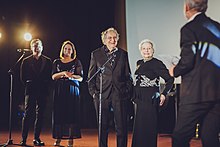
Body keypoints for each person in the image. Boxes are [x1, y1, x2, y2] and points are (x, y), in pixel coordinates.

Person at [169, 0, 220, 146]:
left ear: (186, 7)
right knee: (210, 137)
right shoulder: (217, 27)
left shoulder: (189, 28)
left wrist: (174, 70)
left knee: (180, 137)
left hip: (196, 94)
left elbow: (187, 61)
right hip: (217, 94)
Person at [87, 27, 133, 147]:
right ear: (104, 40)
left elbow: (128, 76)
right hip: (102, 95)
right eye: (109, 38)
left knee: (121, 128)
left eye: (114, 38)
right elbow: (91, 77)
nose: (112, 40)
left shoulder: (123, 54)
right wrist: (94, 94)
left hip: (119, 95)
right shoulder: (96, 54)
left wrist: (126, 91)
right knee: (102, 127)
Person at [131, 39, 174, 147]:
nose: (146, 51)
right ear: (140, 50)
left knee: (148, 129)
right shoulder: (139, 63)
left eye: (149, 48)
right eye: (144, 49)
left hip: (150, 100)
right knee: (139, 129)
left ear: (153, 50)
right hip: (139, 100)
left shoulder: (157, 63)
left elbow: (170, 80)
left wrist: (164, 94)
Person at [20, 39, 52, 146]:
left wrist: (46, 87)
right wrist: (29, 85)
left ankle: (36, 138)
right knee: (28, 114)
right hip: (30, 90)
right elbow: (22, 77)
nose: (36, 47)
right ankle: (23, 139)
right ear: (31, 47)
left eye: (38, 45)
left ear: (42, 47)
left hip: (42, 91)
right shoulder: (25, 61)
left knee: (40, 115)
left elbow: (49, 77)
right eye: (34, 45)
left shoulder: (48, 61)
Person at [51, 40, 83, 147]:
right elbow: (53, 76)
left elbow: (81, 78)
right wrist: (63, 73)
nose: (67, 50)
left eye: (69, 49)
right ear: (62, 50)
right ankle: (58, 139)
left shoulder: (76, 62)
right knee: (60, 114)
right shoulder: (56, 62)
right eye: (65, 48)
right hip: (60, 90)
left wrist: (71, 76)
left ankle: (70, 140)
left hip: (72, 90)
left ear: (72, 51)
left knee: (71, 114)